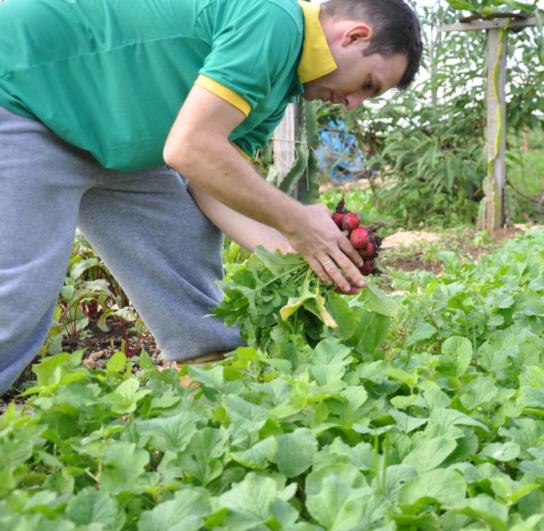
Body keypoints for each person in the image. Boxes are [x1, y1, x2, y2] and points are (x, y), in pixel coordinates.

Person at [0, 0, 422, 393]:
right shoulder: (275, 21)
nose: (353, 103)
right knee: (18, 297)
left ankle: (208, 386)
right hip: (26, 92)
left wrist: (296, 253)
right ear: (354, 36)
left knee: (185, 252)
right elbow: (190, 149)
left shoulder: (280, 90)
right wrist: (296, 221)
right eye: (367, 85)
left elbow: (209, 184)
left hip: (109, 140)